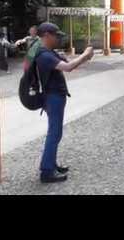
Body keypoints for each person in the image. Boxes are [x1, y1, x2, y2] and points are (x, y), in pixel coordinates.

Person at [35, 22, 94, 183]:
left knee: (56, 132)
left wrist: (83, 58)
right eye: (56, 35)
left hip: (55, 96)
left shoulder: (48, 52)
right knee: (54, 133)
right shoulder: (44, 55)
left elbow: (67, 63)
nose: (58, 38)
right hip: (53, 97)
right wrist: (85, 55)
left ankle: (51, 164)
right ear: (46, 35)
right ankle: (47, 171)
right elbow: (68, 67)